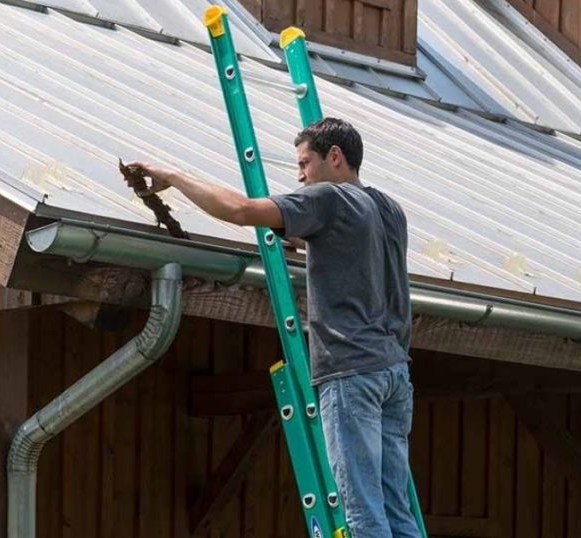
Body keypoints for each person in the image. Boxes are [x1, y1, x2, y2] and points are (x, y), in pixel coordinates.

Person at [125, 118, 418, 538]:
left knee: (363, 511)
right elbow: (340, 246)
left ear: (334, 157)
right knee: (397, 512)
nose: (299, 176)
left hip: (351, 369)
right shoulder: (389, 209)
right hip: (394, 371)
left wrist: (172, 175)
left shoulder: (328, 199)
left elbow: (241, 210)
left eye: (304, 163)